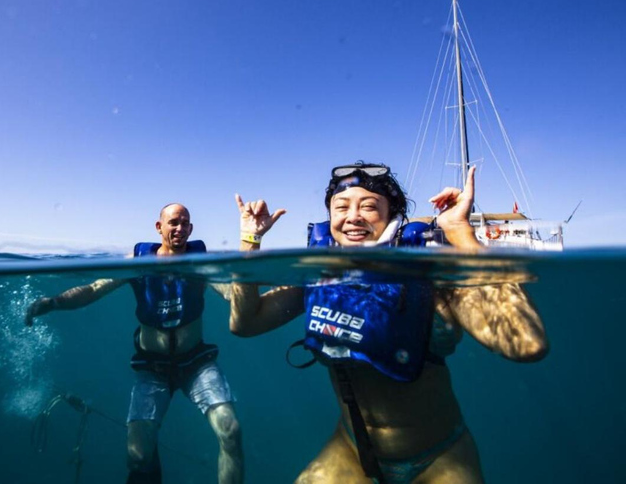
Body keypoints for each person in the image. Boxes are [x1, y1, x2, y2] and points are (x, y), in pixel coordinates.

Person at [230, 163, 548, 484]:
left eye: (368, 206)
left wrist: (460, 232)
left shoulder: (429, 278)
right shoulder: (319, 276)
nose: (353, 216)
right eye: (341, 207)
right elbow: (245, 323)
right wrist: (250, 240)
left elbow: (526, 344)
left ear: (392, 215)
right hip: (351, 450)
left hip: (438, 456)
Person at [25, 203, 243, 484]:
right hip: (152, 368)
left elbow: (232, 293)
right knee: (138, 457)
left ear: (191, 229)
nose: (179, 228)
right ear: (159, 227)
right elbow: (93, 289)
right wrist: (54, 302)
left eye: (185, 223)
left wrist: (260, 296)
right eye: (173, 222)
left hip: (196, 363)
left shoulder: (201, 263)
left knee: (231, 431)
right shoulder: (137, 262)